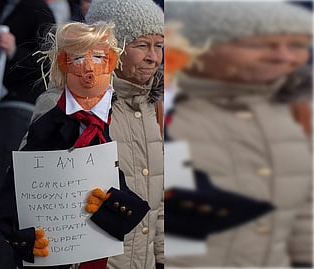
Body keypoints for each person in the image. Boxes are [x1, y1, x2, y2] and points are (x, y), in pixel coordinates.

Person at [164, 1, 312, 267]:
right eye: (258, 44)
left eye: (297, 45)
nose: (284, 57)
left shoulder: (298, 108)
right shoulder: (166, 110)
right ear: (202, 45)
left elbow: (305, 212)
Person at [19, 0, 165, 268]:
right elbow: (36, 198)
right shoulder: (64, 104)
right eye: (142, 45)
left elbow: (161, 198)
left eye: (159, 45)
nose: (153, 57)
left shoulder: (153, 105)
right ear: (111, 49)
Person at [0, 0, 56, 104]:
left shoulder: (40, 10)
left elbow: (47, 60)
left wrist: (14, 51)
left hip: (21, 96)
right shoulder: (1, 4)